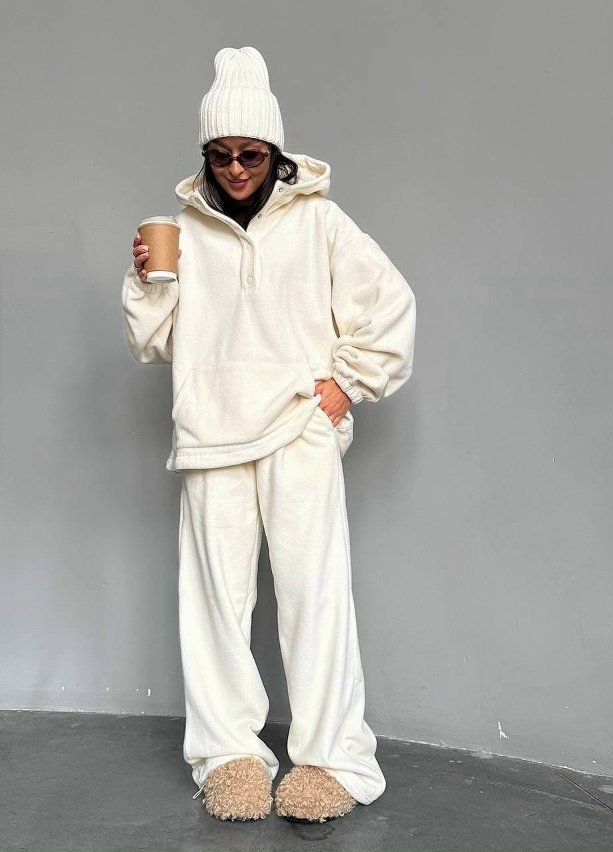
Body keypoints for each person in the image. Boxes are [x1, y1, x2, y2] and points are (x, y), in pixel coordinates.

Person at [122, 46, 416, 824]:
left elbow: (390, 308)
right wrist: (147, 281)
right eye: (220, 155)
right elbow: (154, 342)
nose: (235, 169)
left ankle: (331, 759)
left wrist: (343, 387)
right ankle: (228, 756)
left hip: (296, 427)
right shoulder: (183, 230)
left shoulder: (319, 221)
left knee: (315, 598)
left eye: (250, 154)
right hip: (209, 430)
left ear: (275, 151)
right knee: (214, 606)